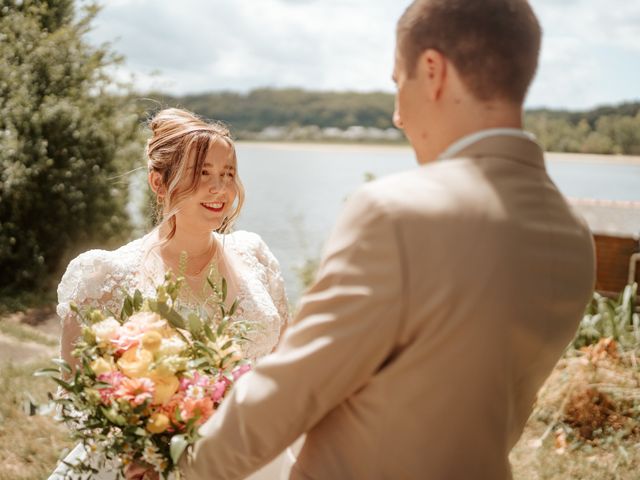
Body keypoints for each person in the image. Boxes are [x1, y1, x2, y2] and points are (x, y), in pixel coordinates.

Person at [178, 1, 596, 479]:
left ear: (433, 71)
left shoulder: (397, 212)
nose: (398, 115)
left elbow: (291, 392)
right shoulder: (570, 232)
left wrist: (183, 466)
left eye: (399, 83)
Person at [48, 108, 291, 480]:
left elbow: (286, 361)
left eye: (228, 174)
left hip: (253, 456)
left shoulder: (253, 253)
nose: (220, 189)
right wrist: (140, 450)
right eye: (203, 174)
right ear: (159, 183)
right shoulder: (105, 275)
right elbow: (79, 395)